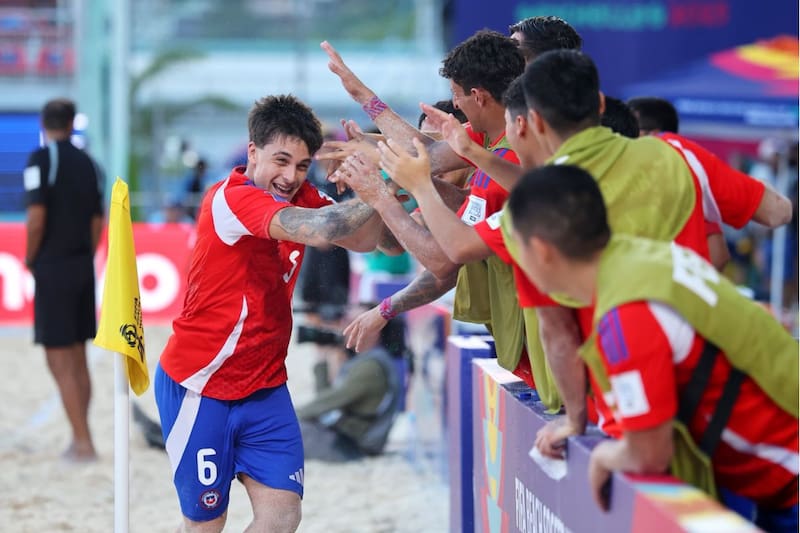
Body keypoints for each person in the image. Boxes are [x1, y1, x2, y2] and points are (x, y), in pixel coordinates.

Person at [507, 164, 798, 532]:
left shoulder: (628, 314)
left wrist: (603, 459)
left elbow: (648, 453)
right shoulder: (642, 257)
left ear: (541, 250)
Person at [154, 94, 389, 533]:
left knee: (282, 515)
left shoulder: (303, 195)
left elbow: (365, 241)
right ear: (252, 152)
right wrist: (391, 179)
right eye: (281, 160)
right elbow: (323, 231)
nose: (290, 176)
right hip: (200, 384)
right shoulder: (231, 198)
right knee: (207, 525)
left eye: (302, 166)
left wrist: (369, 183)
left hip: (264, 385)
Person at [23, 98, 104, 462]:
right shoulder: (89, 163)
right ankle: (80, 438)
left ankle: (83, 443)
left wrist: (31, 256)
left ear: (45, 123)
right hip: (81, 265)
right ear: (72, 123)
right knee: (78, 355)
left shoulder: (41, 160)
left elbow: (36, 216)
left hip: (54, 265)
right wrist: (85, 254)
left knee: (59, 358)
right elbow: (97, 221)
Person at [627, 96, 793, 270]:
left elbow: (777, 212)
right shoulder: (690, 164)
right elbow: (718, 255)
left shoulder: (618, 157)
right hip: (676, 289)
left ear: (652, 133)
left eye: (630, 129)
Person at [296, 315, 409, 462]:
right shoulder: (371, 360)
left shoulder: (370, 367)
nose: (343, 328)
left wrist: (293, 416)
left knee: (284, 431)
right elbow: (325, 400)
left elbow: (327, 403)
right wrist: (322, 360)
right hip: (346, 439)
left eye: (351, 322)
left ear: (373, 330)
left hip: (351, 447)